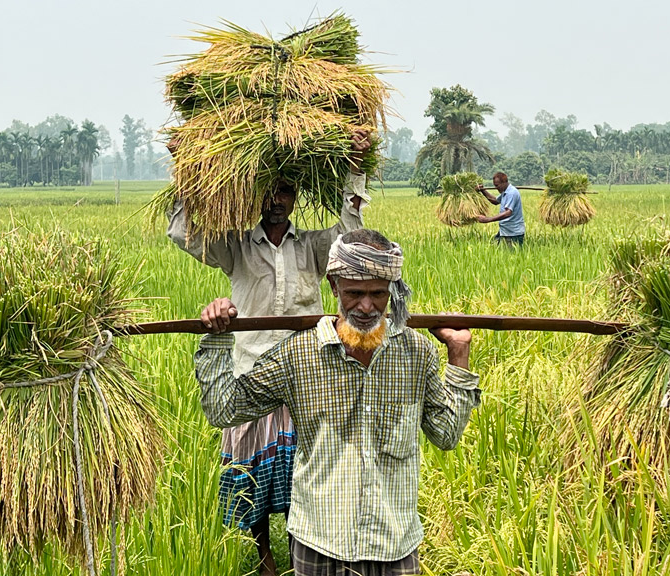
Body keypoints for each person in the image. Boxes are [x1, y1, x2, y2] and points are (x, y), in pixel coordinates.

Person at [194, 229, 481, 576]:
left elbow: (446, 435)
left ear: (391, 291)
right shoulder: (298, 355)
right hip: (318, 545)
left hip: (394, 546)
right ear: (333, 286)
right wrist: (218, 337)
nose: (365, 306)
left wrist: (459, 353)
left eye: (377, 294)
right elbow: (225, 409)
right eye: (354, 293)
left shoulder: (415, 354)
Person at [167, 131, 373, 576]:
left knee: (311, 470)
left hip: (308, 371)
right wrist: (184, 170)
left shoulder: (314, 247)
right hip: (253, 372)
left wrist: (355, 169)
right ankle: (264, 560)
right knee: (254, 473)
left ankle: (310, 548)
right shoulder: (237, 246)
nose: (276, 200)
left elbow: (351, 232)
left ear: (295, 195)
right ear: (254, 197)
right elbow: (184, 232)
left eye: (284, 190)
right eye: (267, 191)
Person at [475, 171, 525, 246]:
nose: (496, 188)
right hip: (505, 230)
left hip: (513, 233)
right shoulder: (505, 192)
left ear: (504, 182)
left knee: (511, 255)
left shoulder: (511, 193)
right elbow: (495, 201)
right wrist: (483, 190)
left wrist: (488, 219)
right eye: (495, 185)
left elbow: (508, 212)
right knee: (494, 250)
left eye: (497, 185)